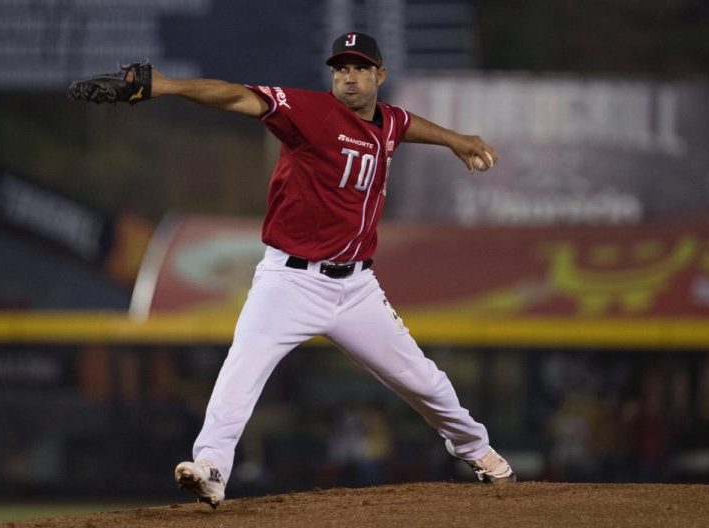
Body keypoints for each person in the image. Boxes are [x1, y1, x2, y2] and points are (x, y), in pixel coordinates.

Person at [151, 32, 515, 507]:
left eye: (360, 67)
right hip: (290, 280)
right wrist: (169, 86)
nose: (348, 75)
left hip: (357, 288)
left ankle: (479, 452)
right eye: (340, 67)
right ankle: (212, 468)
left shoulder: (387, 122)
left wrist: (454, 140)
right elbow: (239, 96)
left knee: (422, 380)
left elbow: (403, 125)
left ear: (379, 76)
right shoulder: (309, 112)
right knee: (242, 370)